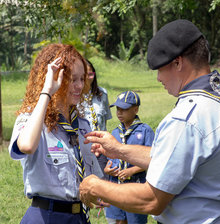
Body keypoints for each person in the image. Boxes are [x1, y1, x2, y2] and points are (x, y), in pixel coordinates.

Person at [79, 19, 220, 224]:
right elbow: (177, 159)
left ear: (178, 63)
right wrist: (119, 150)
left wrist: (95, 187)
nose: (159, 78)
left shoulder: (186, 119)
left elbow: (152, 200)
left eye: (160, 69)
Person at [8, 43, 107, 224]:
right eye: (72, 79)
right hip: (46, 216)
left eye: (82, 79)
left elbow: (93, 177)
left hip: (79, 218)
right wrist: (47, 92)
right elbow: (27, 146)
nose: (79, 86)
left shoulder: (83, 125)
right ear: (53, 79)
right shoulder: (33, 120)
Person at [104, 90, 154, 224]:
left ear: (136, 109)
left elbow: (152, 159)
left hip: (136, 186)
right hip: (116, 186)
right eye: (117, 109)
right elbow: (111, 158)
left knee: (135, 221)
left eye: (124, 109)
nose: (119, 113)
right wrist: (108, 170)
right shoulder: (115, 132)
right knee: (118, 221)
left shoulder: (145, 131)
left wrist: (132, 170)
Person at [78, 59, 112, 180]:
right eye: (84, 75)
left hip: (101, 147)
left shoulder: (102, 94)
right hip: (83, 146)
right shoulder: (75, 96)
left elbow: (105, 121)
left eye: (91, 74)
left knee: (103, 184)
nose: (88, 78)